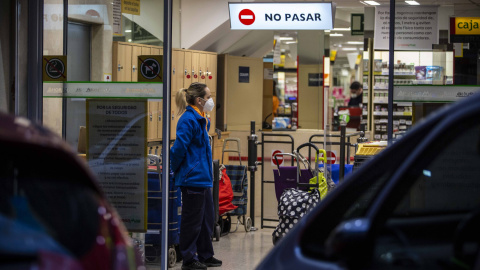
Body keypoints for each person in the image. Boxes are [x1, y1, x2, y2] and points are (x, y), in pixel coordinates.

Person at [171, 82, 222, 270]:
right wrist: (174, 169)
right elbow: (179, 149)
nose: (210, 101)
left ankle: (205, 254)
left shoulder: (201, 118)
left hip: (203, 179)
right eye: (208, 97)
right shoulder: (188, 119)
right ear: (199, 100)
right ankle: (189, 259)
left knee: (206, 219)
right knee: (192, 221)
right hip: (192, 179)